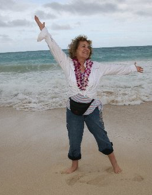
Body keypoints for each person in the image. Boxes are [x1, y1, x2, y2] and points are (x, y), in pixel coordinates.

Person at [34, 16, 143, 174]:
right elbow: (54, 48)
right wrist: (44, 31)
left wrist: (132, 68)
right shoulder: (68, 64)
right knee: (74, 138)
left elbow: (115, 68)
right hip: (73, 109)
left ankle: (115, 165)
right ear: (75, 50)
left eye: (88, 47)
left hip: (91, 108)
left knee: (101, 136)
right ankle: (74, 166)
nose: (86, 49)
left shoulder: (97, 67)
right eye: (82, 46)